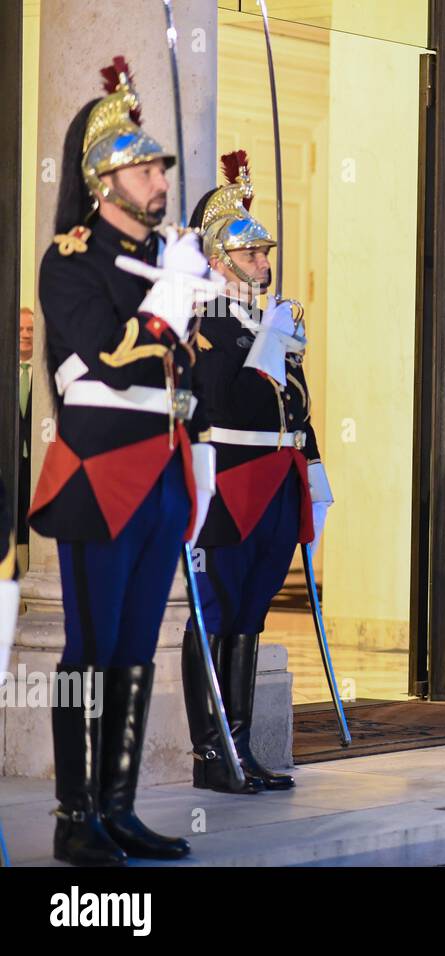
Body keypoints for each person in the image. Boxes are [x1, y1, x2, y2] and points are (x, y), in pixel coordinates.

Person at [30, 57, 221, 865]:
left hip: (162, 475)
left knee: (137, 650)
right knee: (89, 648)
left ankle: (120, 806)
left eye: (158, 166)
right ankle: (76, 817)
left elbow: (188, 374)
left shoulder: (168, 256)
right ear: (103, 182)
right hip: (100, 475)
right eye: (143, 167)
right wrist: (170, 297)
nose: (157, 178)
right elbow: (110, 357)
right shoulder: (71, 259)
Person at [181, 150, 325, 793]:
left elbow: (296, 401)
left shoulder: (263, 321)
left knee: (250, 614)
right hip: (228, 481)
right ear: (220, 259)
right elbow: (228, 398)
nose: (264, 264)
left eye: (265, 254)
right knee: (214, 612)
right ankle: (210, 753)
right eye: (252, 255)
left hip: (275, 477)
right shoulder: (205, 318)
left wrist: (314, 465)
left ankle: (238, 745)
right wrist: (271, 339)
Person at [18, 307, 34, 563]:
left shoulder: (41, 372)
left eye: (30, 329)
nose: (25, 334)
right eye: (20, 328)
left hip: (36, 460)